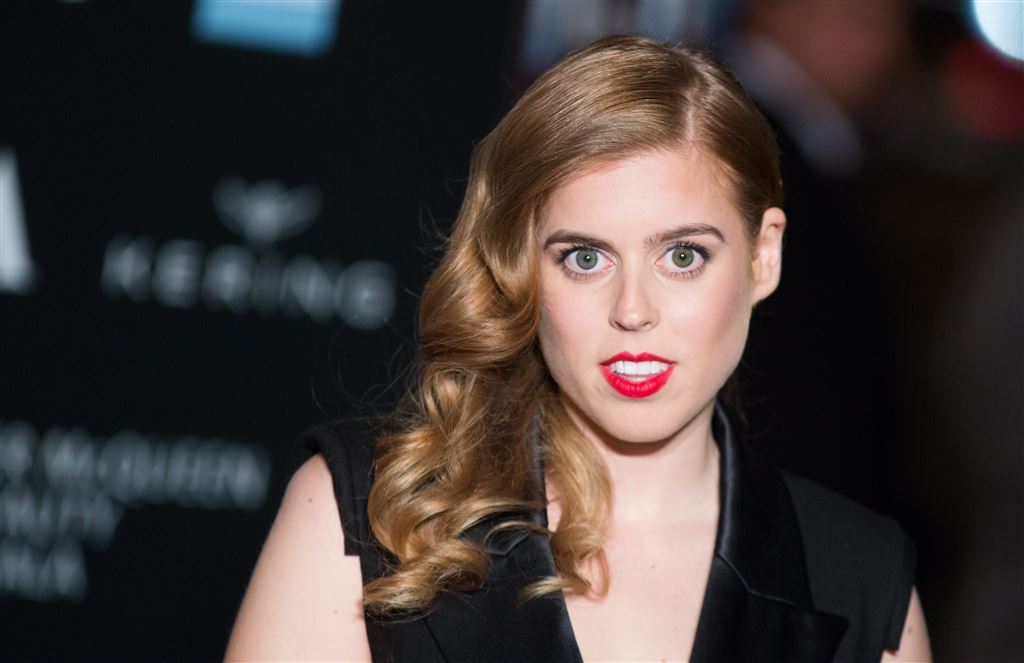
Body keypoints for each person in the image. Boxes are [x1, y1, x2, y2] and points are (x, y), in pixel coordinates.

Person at [225, 35, 931, 663]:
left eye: (683, 255)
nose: (633, 310)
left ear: (762, 257)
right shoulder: (372, 515)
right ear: (524, 268)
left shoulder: (859, 577)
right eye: (585, 258)